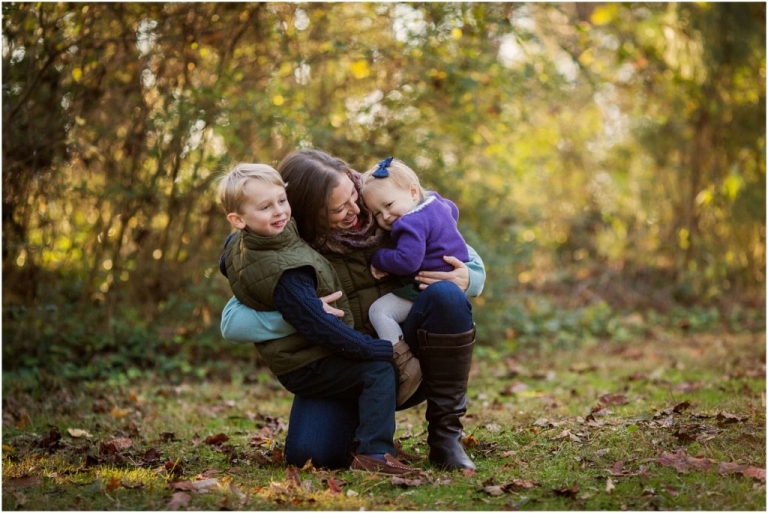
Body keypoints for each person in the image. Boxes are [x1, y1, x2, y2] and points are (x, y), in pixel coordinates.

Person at [220, 149, 484, 471]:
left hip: (407, 356)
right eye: (338, 208)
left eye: (353, 195)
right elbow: (233, 322)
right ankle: (368, 434)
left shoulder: (384, 205)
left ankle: (446, 439)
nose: (355, 210)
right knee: (314, 457)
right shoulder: (285, 242)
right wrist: (305, 313)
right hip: (347, 364)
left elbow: (455, 246)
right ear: (308, 212)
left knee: (446, 296)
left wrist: (471, 277)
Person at [217, 162, 416, 475]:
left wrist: (468, 275)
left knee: (370, 370)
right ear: (238, 220)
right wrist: (375, 349)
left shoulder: (248, 243)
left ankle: (375, 437)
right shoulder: (287, 271)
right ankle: (375, 453)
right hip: (311, 362)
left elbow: (231, 262)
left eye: (282, 201)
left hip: (310, 357)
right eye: (266, 207)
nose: (280, 212)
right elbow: (322, 327)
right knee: (377, 370)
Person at [359, 156, 470, 405]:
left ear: (412, 191)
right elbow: (454, 210)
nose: (386, 217)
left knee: (380, 312)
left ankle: (403, 363)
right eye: (377, 213)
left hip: (421, 287)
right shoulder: (438, 203)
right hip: (447, 282)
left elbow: (407, 261)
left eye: (388, 205)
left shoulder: (410, 223)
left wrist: (379, 258)